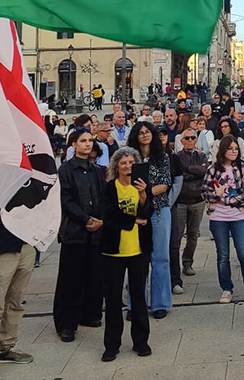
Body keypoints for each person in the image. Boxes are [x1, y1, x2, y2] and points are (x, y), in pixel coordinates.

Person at [0, 171, 36, 379]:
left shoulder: (31, 172)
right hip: (2, 246)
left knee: (16, 301)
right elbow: (1, 201)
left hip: (26, 244)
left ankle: (6, 347)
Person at [53, 128, 105, 343]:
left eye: (89, 140)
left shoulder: (96, 170)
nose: (87, 144)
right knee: (71, 278)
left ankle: (89, 313)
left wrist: (100, 220)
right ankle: (67, 323)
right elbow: (65, 199)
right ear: (73, 144)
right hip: (75, 231)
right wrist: (85, 219)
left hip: (95, 233)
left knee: (92, 275)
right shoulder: (65, 170)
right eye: (82, 141)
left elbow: (102, 197)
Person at [99, 148, 152, 361]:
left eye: (131, 163)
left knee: (138, 297)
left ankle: (141, 341)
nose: (127, 167)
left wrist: (143, 197)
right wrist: (133, 221)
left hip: (138, 250)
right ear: (116, 166)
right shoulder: (109, 188)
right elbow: (108, 215)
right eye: (123, 163)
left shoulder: (141, 187)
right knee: (112, 299)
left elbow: (147, 215)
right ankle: (112, 344)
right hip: (113, 250)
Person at [202, 136, 244, 304]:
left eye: (236, 148)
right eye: (230, 148)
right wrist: (215, 195)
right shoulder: (213, 169)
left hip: (238, 216)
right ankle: (226, 289)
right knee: (223, 255)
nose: (234, 151)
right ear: (223, 150)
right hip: (218, 217)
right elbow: (204, 191)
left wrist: (224, 200)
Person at [129, 122, 178, 320]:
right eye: (140, 133)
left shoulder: (163, 157)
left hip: (159, 210)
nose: (144, 135)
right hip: (135, 212)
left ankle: (160, 303)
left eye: (147, 132)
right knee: (137, 259)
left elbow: (165, 184)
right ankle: (135, 304)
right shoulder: (130, 157)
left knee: (160, 257)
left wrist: (145, 191)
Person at [170, 128, 209, 295]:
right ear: (182, 140)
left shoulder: (202, 156)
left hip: (197, 200)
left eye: (193, 137)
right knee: (176, 236)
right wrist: (194, 171)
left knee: (193, 234)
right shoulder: (176, 157)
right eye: (187, 138)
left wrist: (188, 170)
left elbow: (205, 171)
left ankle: (188, 261)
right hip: (180, 202)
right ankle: (175, 267)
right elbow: (178, 175)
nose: (190, 140)